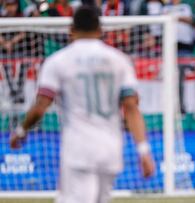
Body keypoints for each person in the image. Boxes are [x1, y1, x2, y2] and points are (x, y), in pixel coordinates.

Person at [9, 5, 154, 203]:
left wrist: (21, 131)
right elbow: (131, 107)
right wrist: (143, 149)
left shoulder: (58, 61)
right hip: (110, 148)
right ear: (100, 29)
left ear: (71, 29)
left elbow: (41, 106)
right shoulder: (119, 60)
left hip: (79, 147)